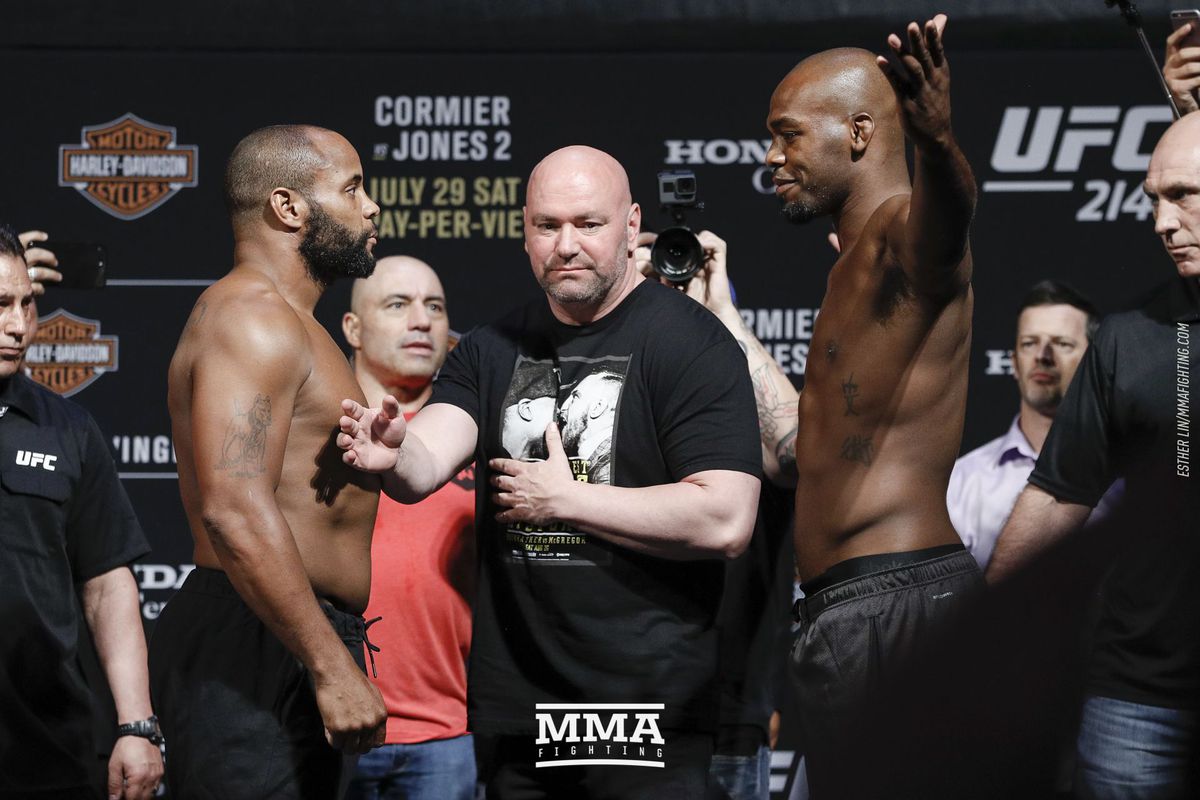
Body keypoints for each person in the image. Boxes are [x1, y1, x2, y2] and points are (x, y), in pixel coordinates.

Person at [337, 144, 762, 799]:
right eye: (547, 225)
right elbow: (424, 464)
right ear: (524, 232)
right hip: (521, 708)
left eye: (588, 224)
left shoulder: (692, 343)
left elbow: (726, 517)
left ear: (631, 226)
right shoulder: (489, 349)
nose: (566, 245)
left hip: (648, 706)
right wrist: (394, 452)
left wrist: (568, 500)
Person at [766, 14, 980, 793]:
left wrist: (937, 143)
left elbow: (949, 220)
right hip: (853, 608)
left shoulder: (902, 238)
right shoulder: (852, 262)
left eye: (788, 135)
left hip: (900, 607)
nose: (771, 156)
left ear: (858, 133)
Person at [149, 124, 388, 798]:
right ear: (288, 207)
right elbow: (233, 508)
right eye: (351, 189)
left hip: (281, 632)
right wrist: (329, 664)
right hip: (257, 639)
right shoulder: (252, 318)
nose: (371, 207)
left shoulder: (291, 322)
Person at [986, 111, 1200, 799]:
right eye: (1153, 199)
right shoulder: (1129, 339)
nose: (1162, 222)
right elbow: (1058, 496)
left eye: (1183, 196)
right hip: (1139, 699)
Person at [0, 225, 163, 800]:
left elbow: (107, 583)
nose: (19, 326)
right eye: (0, 304)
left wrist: (137, 726)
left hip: (47, 744)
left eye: (27, 304)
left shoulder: (67, 429)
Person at [636, 230, 800, 800]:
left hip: (724, 708)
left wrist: (720, 312)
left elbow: (791, 454)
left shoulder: (735, 401)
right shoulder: (608, 384)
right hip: (611, 706)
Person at [340, 256, 477, 800]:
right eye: (398, 305)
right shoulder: (315, 426)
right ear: (353, 328)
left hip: (449, 732)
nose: (422, 320)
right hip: (330, 722)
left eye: (435, 307)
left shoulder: (477, 434)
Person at [947, 280, 1120, 570]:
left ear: (1094, 364)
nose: (1043, 356)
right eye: (1029, 343)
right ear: (1014, 363)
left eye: (1062, 344)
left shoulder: (1128, 484)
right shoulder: (963, 482)